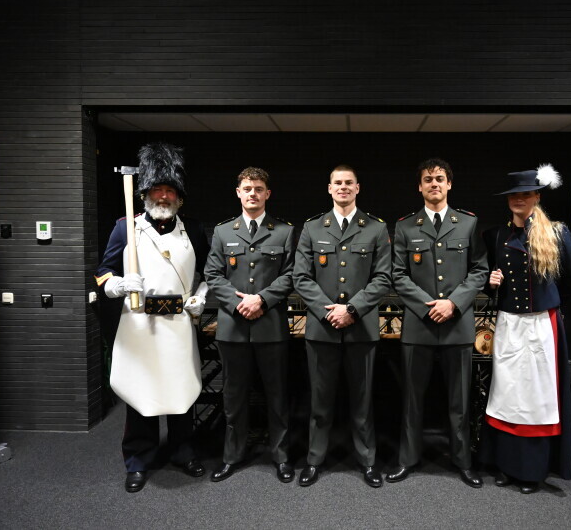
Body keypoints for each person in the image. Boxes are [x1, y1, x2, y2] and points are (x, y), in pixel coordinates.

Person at [95, 143, 210, 493]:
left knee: (181, 390)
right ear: (145, 193)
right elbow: (103, 272)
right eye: (157, 189)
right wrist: (117, 285)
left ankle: (183, 451)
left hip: (178, 324)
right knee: (140, 393)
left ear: (179, 197)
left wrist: (201, 295)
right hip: (139, 324)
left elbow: (209, 272)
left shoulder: (192, 229)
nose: (163, 196)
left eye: (169, 190)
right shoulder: (125, 228)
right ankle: (138, 460)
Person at [479, 165, 571, 494]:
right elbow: (486, 281)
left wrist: (550, 304)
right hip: (509, 324)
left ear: (537, 196)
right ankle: (505, 465)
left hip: (541, 325)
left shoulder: (557, 233)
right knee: (507, 394)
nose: (519, 199)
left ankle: (532, 470)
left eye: (525, 194)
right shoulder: (496, 235)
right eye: (514, 195)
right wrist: (491, 282)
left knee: (537, 398)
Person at [387, 158, 488, 488]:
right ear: (420, 187)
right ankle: (407, 459)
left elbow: (479, 270)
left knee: (460, 401)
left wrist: (453, 304)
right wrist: (427, 307)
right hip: (419, 326)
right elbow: (398, 275)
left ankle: (462, 461)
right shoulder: (406, 226)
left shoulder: (468, 223)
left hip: (457, 326)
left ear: (449, 184)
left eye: (440, 178)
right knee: (411, 400)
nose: (434, 183)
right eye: (428, 179)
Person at [292, 164, 391, 488]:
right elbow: (301, 278)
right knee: (320, 402)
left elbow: (383, 278)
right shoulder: (312, 228)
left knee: (363, 402)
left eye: (349, 182)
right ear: (330, 188)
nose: (343, 187)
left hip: (361, 329)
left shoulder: (376, 228)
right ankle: (314, 460)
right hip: (322, 330)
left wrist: (352, 309)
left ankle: (368, 461)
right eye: (338, 182)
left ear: (357, 188)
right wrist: (328, 312)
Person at [205, 167, 296, 484]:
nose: (253, 194)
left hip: (270, 326)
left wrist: (262, 300)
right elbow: (212, 275)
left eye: (258, 189)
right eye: (247, 188)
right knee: (234, 397)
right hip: (233, 327)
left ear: (267, 194)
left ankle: (281, 457)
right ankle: (232, 456)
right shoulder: (223, 232)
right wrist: (238, 303)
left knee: (277, 396)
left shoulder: (284, 232)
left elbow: (291, 275)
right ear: (238, 193)